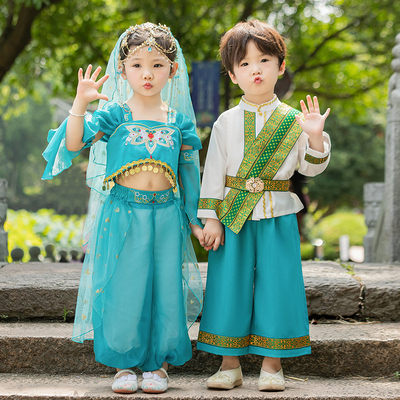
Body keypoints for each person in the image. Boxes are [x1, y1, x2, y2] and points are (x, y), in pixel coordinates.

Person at [42, 22, 204, 394]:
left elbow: (190, 176)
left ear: (173, 70)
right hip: (122, 214)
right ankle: (124, 365)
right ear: (122, 69)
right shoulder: (114, 115)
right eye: (137, 65)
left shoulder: (179, 122)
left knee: (166, 286)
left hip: (166, 215)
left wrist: (197, 222)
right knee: (125, 285)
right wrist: (81, 103)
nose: (147, 74)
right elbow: (72, 144)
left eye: (158, 65)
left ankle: (159, 367)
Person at [197, 19, 331, 392]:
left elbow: (310, 167)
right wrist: (210, 218)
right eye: (244, 63)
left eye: (264, 59)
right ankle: (229, 365)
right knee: (228, 285)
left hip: (278, 214)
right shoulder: (225, 122)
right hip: (233, 214)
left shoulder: (295, 120)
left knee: (278, 284)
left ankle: (272, 366)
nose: (255, 69)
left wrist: (316, 137)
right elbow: (213, 174)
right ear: (232, 74)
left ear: (281, 66)